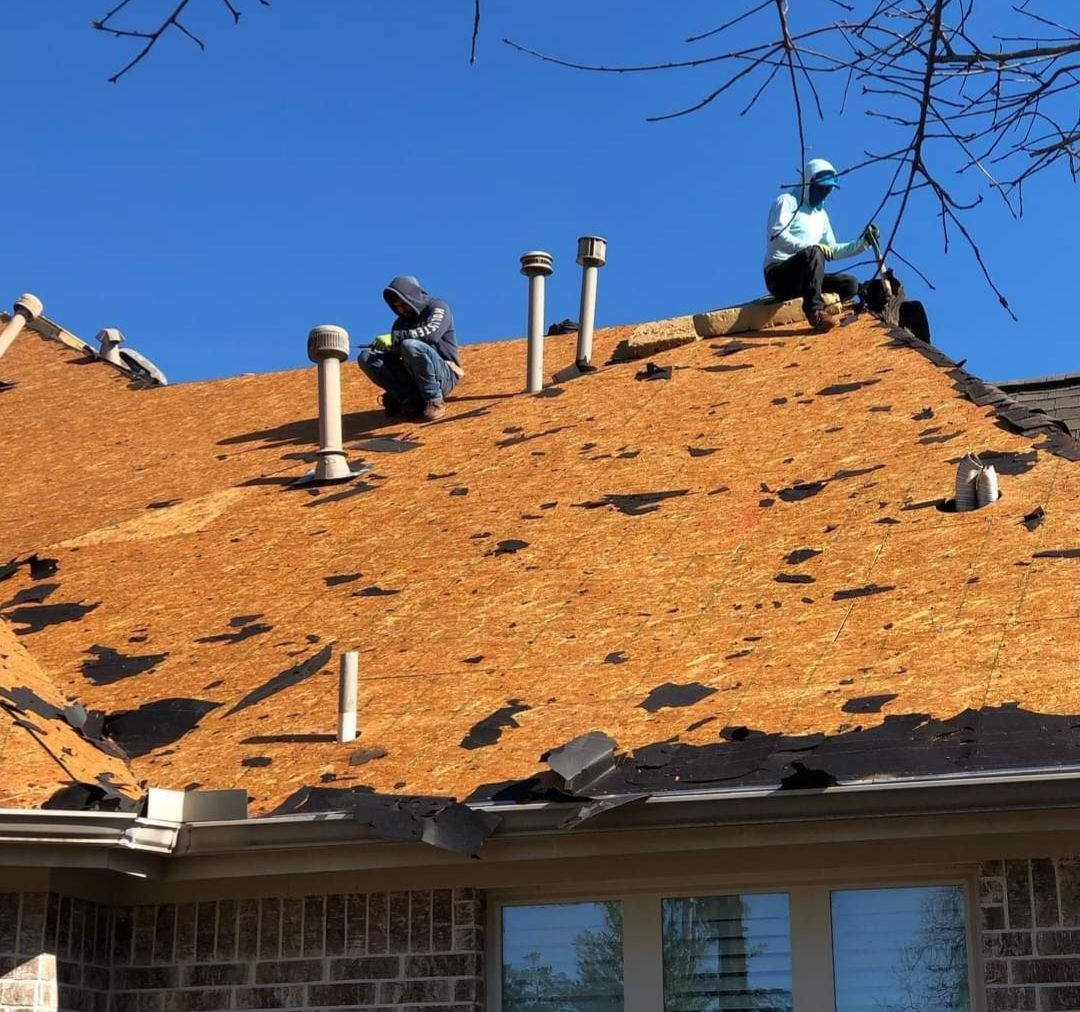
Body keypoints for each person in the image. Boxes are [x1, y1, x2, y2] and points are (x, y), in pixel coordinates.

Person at [763, 157, 877, 332]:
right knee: (814, 252)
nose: (825, 193)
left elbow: (831, 249)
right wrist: (811, 247)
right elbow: (776, 236)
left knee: (850, 284)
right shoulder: (787, 201)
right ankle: (815, 312)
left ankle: (814, 299)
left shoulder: (821, 215)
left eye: (828, 189)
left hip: (805, 280)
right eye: (822, 188)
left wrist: (863, 243)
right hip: (779, 276)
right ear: (808, 183)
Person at [358, 276, 463, 421]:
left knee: (410, 345)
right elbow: (397, 356)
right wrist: (386, 350)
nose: (401, 309)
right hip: (416, 380)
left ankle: (434, 401)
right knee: (366, 357)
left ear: (412, 297)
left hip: (443, 376)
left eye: (404, 304)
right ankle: (410, 400)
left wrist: (395, 338)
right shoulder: (399, 324)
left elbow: (430, 334)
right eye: (397, 307)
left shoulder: (437, 307)